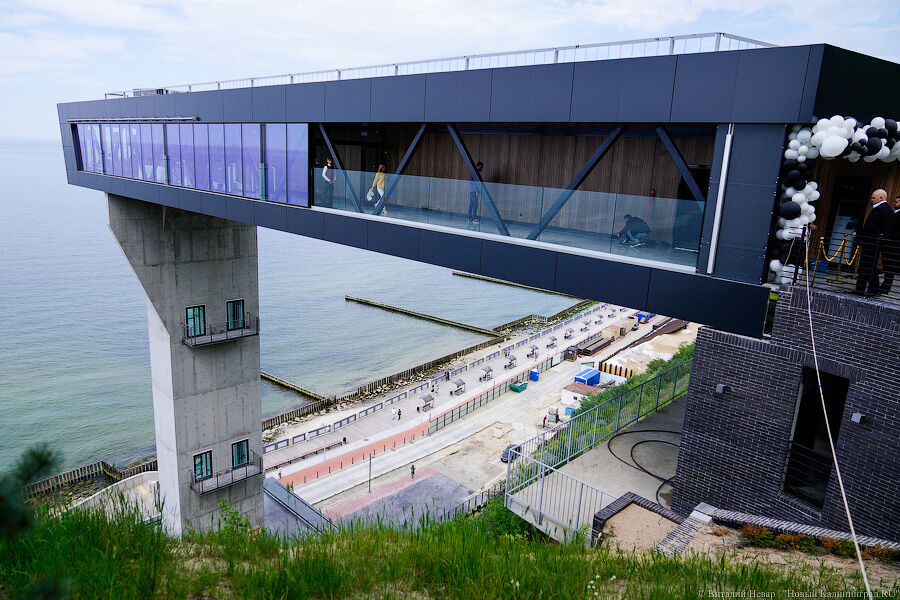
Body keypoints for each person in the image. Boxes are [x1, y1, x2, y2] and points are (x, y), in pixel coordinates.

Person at [853, 189, 893, 296]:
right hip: (878, 242)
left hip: (871, 242)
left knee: (865, 265)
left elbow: (870, 226)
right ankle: (874, 289)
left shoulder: (879, 209)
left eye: (873, 198)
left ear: (881, 198)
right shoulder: (889, 209)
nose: (871, 200)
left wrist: (859, 233)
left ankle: (860, 289)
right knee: (871, 266)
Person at [879, 195, 900, 294]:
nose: (894, 203)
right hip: (890, 244)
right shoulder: (895, 213)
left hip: (893, 245)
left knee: (889, 266)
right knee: (887, 266)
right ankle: (885, 286)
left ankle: (886, 287)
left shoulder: (898, 215)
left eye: (897, 202)